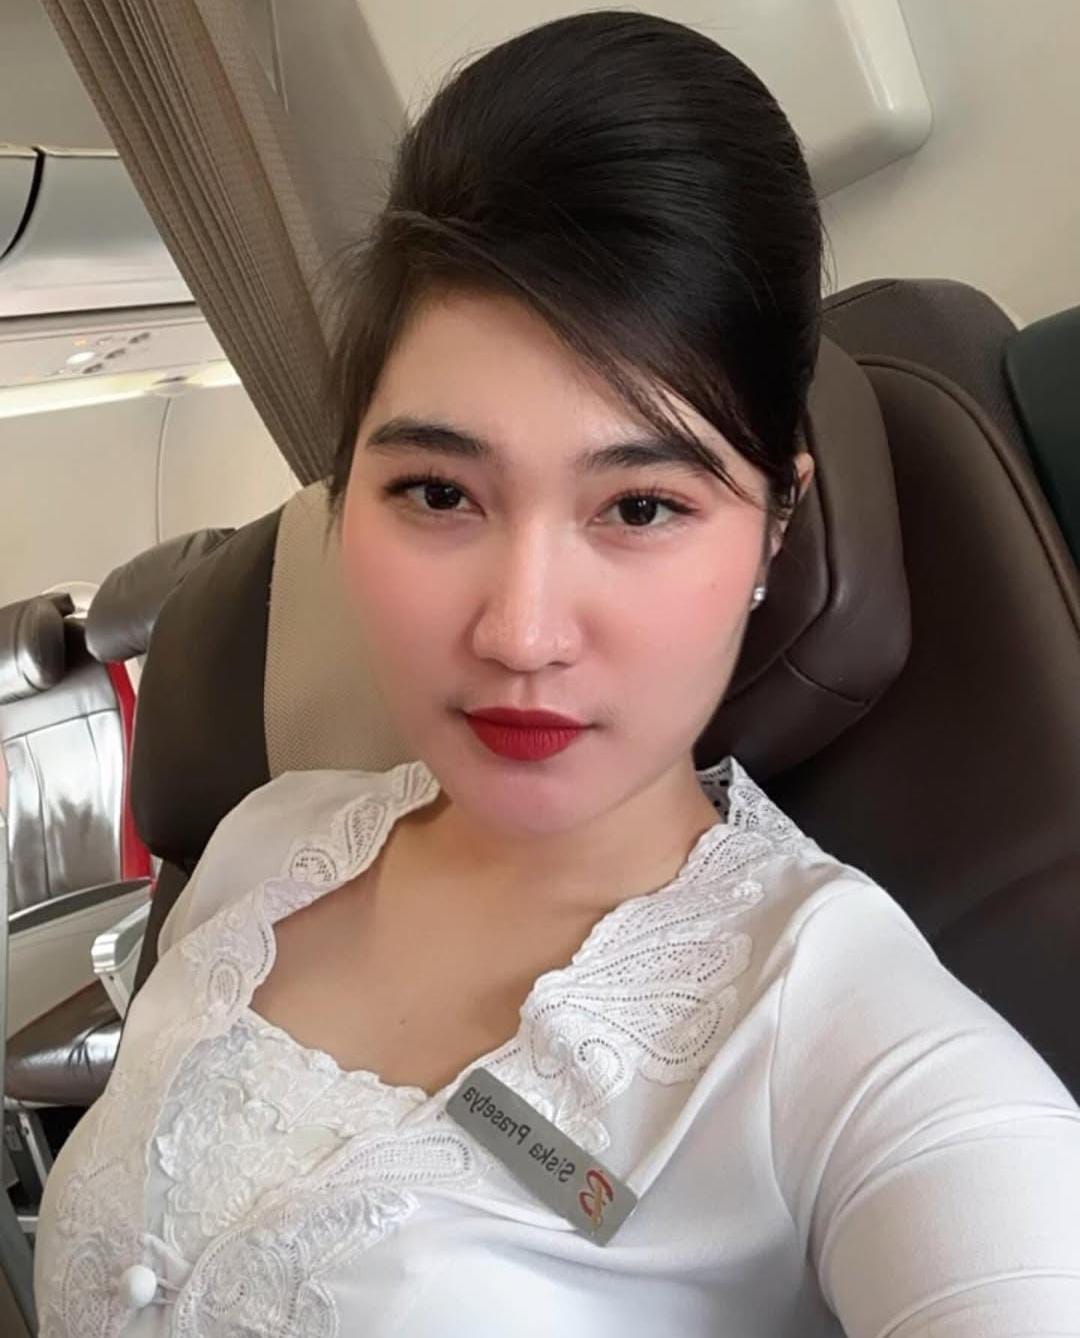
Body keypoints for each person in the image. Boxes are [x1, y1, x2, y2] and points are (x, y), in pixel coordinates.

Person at [33, 10, 1080, 1336]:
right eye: (436, 491)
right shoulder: (259, 842)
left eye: (640, 506)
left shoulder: (841, 1038)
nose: (522, 633)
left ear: (775, 525)